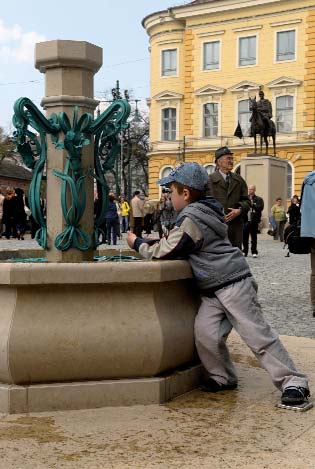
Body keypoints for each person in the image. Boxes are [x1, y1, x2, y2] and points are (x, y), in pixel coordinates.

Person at [127, 162, 310, 406]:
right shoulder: (205, 211)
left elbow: (166, 251)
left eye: (171, 190)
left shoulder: (192, 217)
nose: (167, 195)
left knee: (258, 336)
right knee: (206, 334)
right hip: (214, 288)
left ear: (186, 194)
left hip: (233, 283)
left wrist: (136, 242)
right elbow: (180, 242)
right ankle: (222, 376)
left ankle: (294, 382)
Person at [207, 146, 250, 249]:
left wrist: (239, 210)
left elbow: (247, 201)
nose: (231, 161)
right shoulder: (209, 181)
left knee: (235, 256)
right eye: (228, 158)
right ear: (219, 162)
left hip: (235, 228)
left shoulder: (238, 180)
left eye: (232, 159)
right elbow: (204, 203)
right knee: (218, 256)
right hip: (216, 226)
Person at [300, 171, 315, 317]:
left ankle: (314, 304)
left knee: (314, 271)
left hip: (312, 231)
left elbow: (302, 207)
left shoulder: (307, 180)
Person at [242, 185, 264, 258]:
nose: (250, 190)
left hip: (254, 221)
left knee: (254, 238)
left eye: (251, 189)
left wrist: (252, 205)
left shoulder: (259, 199)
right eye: (249, 189)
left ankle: (254, 252)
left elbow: (260, 208)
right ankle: (245, 251)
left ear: (254, 190)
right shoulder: (245, 199)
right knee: (244, 237)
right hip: (245, 221)